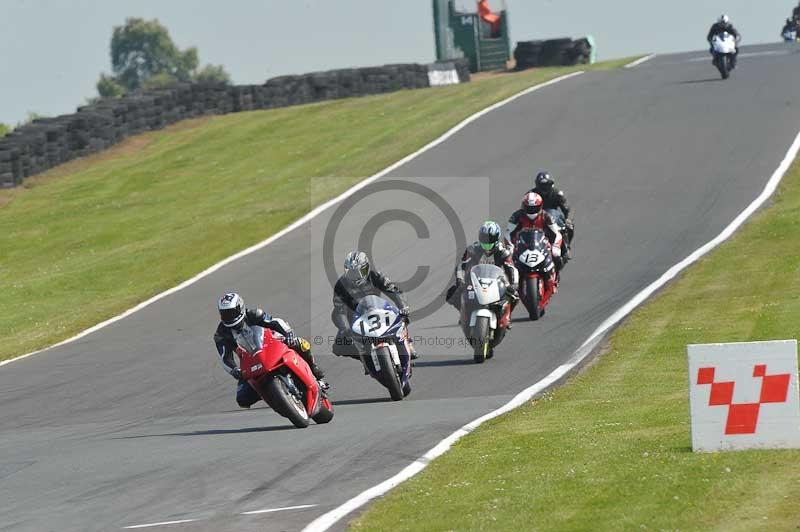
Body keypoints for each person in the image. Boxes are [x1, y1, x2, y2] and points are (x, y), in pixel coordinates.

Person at [214, 292, 326, 409]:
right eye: (225, 314)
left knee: (300, 343)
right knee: (242, 399)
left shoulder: (254, 314)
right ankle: (274, 394)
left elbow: (276, 322)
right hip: (251, 361)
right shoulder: (221, 334)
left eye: (232, 312)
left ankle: (313, 367)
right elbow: (225, 358)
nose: (229, 317)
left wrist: (288, 334)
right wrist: (235, 370)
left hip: (272, 343)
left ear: (240, 307)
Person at [331, 251, 417, 361]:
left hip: (377, 308)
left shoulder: (375, 275)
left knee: (401, 316)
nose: (356, 276)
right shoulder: (341, 285)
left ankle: (407, 342)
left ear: (366, 268)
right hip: (355, 315)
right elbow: (339, 310)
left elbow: (393, 291)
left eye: (359, 272)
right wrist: (345, 328)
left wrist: (403, 307)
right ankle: (366, 358)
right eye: (351, 273)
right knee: (339, 347)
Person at [447, 221, 519, 317]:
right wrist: (460, 280)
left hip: (497, 282)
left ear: (497, 238)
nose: (487, 242)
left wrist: (514, 284)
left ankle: (505, 317)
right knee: (452, 293)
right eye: (484, 238)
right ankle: (464, 314)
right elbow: (462, 265)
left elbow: (512, 268)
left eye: (490, 238)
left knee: (514, 296)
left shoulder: (503, 252)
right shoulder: (472, 249)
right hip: (475, 280)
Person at [507, 192, 565, 275]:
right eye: (529, 208)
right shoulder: (517, 216)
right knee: (507, 258)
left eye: (534, 208)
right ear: (524, 207)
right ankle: (512, 281)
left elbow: (557, 233)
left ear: (540, 206)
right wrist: (510, 246)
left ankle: (555, 275)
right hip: (522, 246)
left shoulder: (546, 216)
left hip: (541, 245)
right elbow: (508, 233)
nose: (532, 211)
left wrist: (556, 246)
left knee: (556, 256)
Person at [530, 171, 574, 255]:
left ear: (550, 185)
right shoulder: (531, 195)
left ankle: (566, 246)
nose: (544, 189)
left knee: (570, 227)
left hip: (554, 219)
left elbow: (568, 209)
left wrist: (568, 220)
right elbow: (523, 210)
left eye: (546, 186)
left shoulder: (557, 194)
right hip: (535, 220)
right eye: (541, 186)